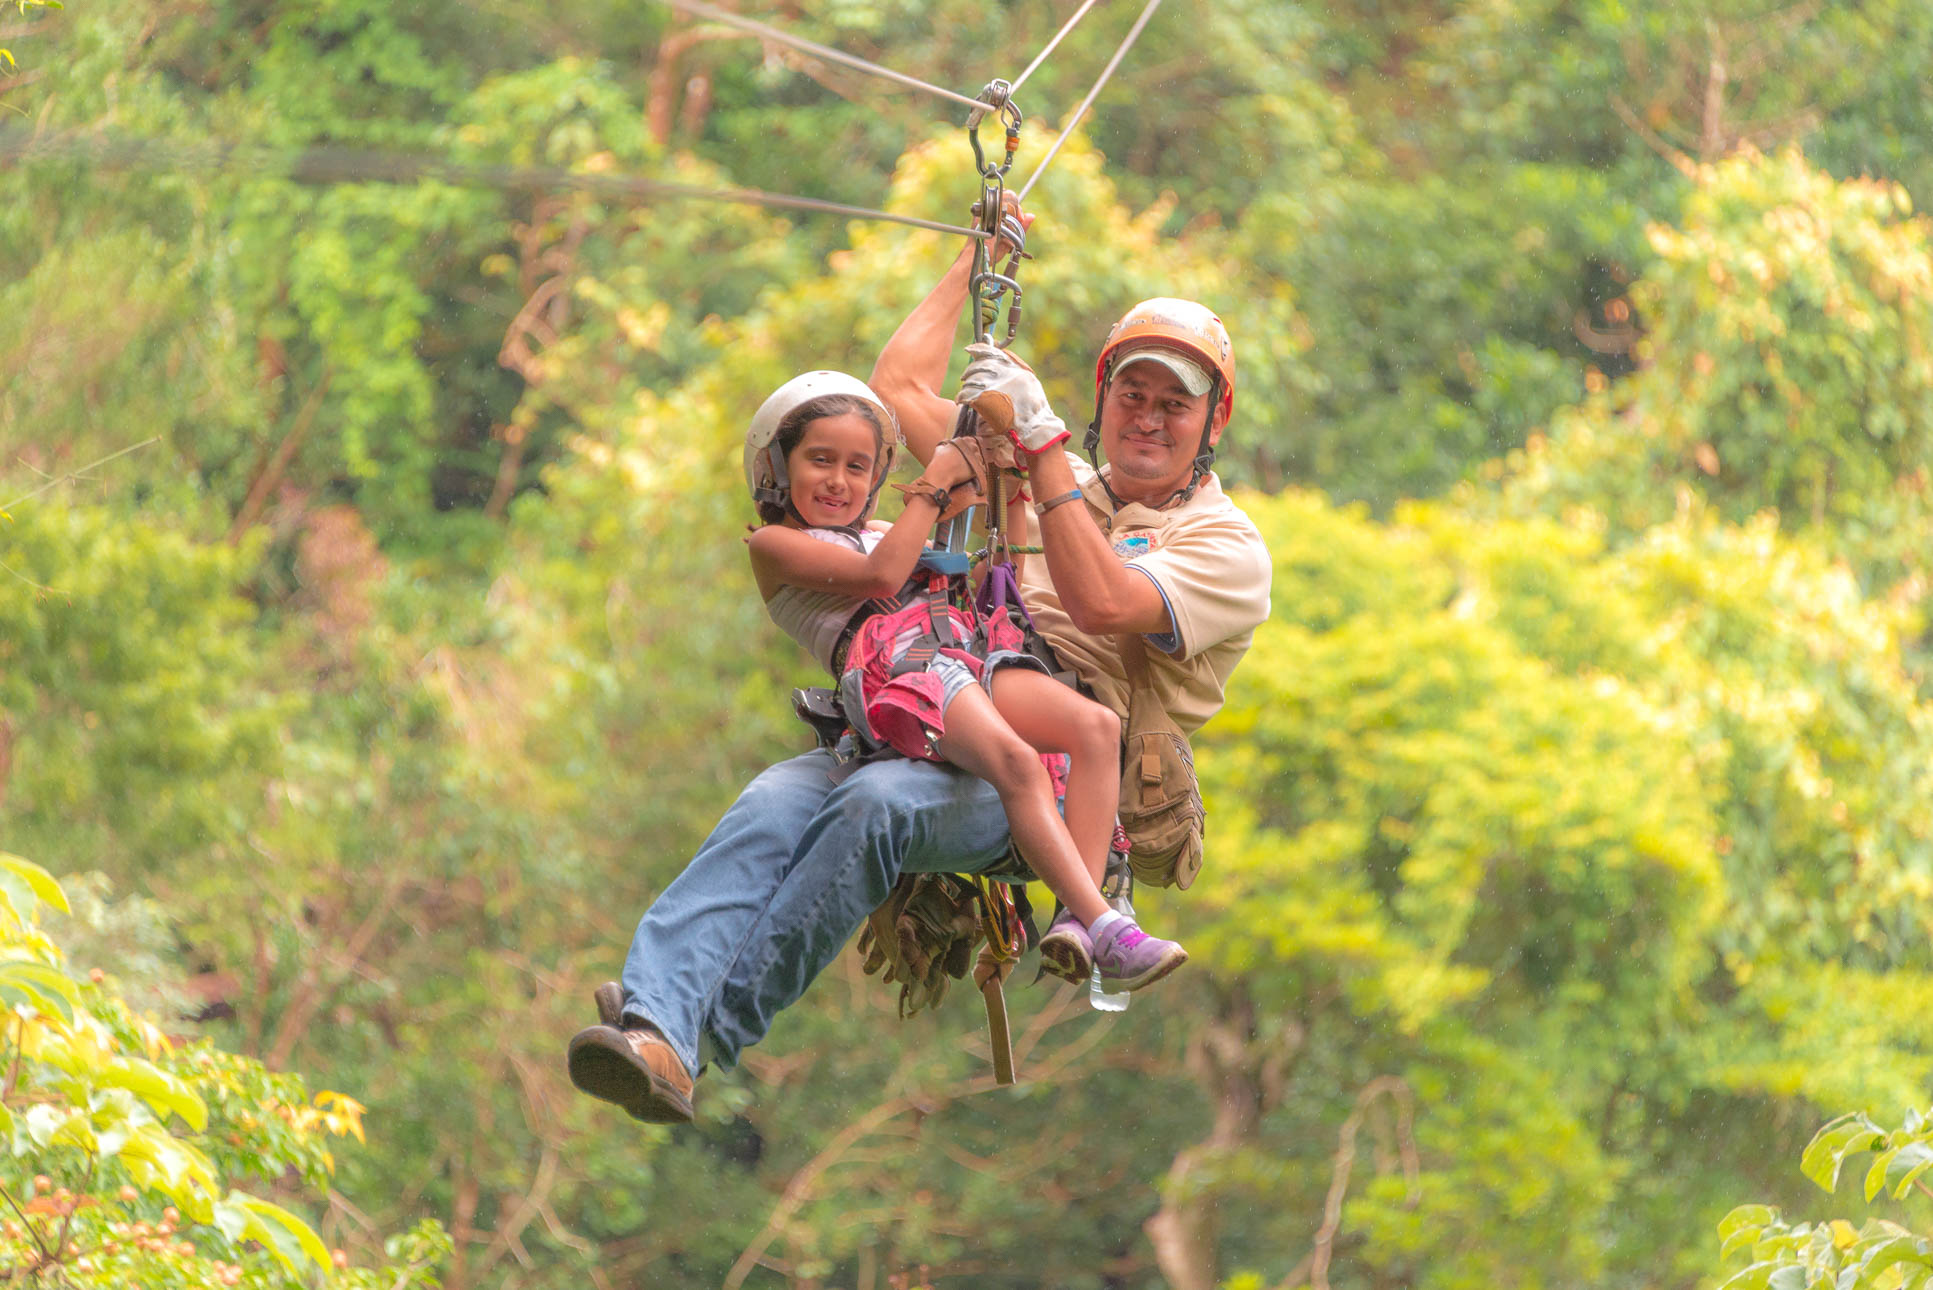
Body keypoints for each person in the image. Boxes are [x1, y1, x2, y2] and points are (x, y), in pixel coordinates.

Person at [566, 222, 1272, 1127]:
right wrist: (973, 261)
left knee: (879, 808)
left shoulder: (1221, 543)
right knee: (769, 806)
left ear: (1212, 422)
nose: (1147, 417)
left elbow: (1101, 603)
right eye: (1130, 394)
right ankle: (653, 1017)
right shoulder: (1060, 478)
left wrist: (1042, 444)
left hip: (1051, 776)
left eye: (1173, 405)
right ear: (1105, 400)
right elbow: (896, 393)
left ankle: (702, 1035)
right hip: (927, 705)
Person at [737, 370, 1186, 991]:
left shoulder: (876, 531)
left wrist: (1008, 485)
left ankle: (1077, 924)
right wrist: (936, 478)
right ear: (779, 469)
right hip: (894, 667)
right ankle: (1108, 925)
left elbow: (989, 573)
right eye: (820, 461)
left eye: (858, 467)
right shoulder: (774, 544)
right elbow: (881, 578)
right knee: (1017, 763)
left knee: (1095, 726)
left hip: (958, 650)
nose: (840, 481)